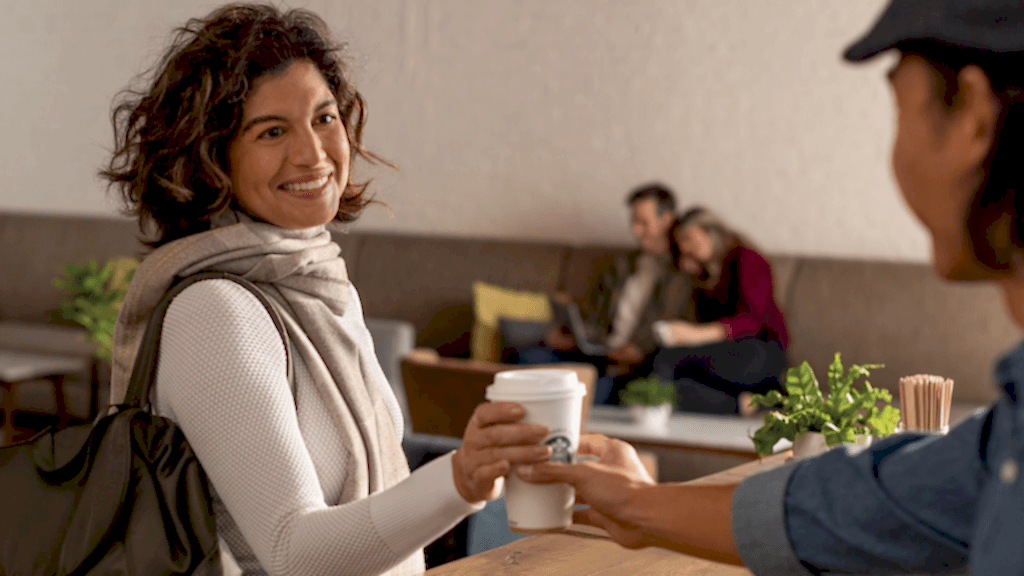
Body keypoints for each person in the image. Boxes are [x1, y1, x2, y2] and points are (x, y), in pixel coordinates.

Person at [518, 1, 1024, 574]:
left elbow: (861, 506)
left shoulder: (747, 259)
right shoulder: (1002, 439)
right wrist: (638, 504)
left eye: (899, 108)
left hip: (758, 355)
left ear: (974, 121)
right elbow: (864, 508)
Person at [102, 5, 552, 576]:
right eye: (271, 131)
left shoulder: (317, 284)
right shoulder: (215, 311)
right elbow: (295, 553)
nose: (314, 154)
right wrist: (462, 478)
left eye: (324, 117)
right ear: (211, 156)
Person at [514, 183, 693, 404]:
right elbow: (594, 312)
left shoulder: (682, 273)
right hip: (599, 353)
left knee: (585, 394)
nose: (636, 230)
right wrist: (572, 335)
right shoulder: (623, 265)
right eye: (633, 222)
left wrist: (640, 349)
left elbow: (675, 327)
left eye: (643, 223)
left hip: (634, 365)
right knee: (526, 357)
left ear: (667, 220)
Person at [651, 207, 789, 415]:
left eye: (688, 238)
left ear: (711, 231)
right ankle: (748, 403)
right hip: (722, 357)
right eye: (681, 244)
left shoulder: (747, 258)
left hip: (761, 352)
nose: (685, 248)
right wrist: (687, 277)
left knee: (667, 360)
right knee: (677, 384)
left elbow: (752, 321)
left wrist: (695, 336)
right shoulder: (704, 275)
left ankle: (648, 412)